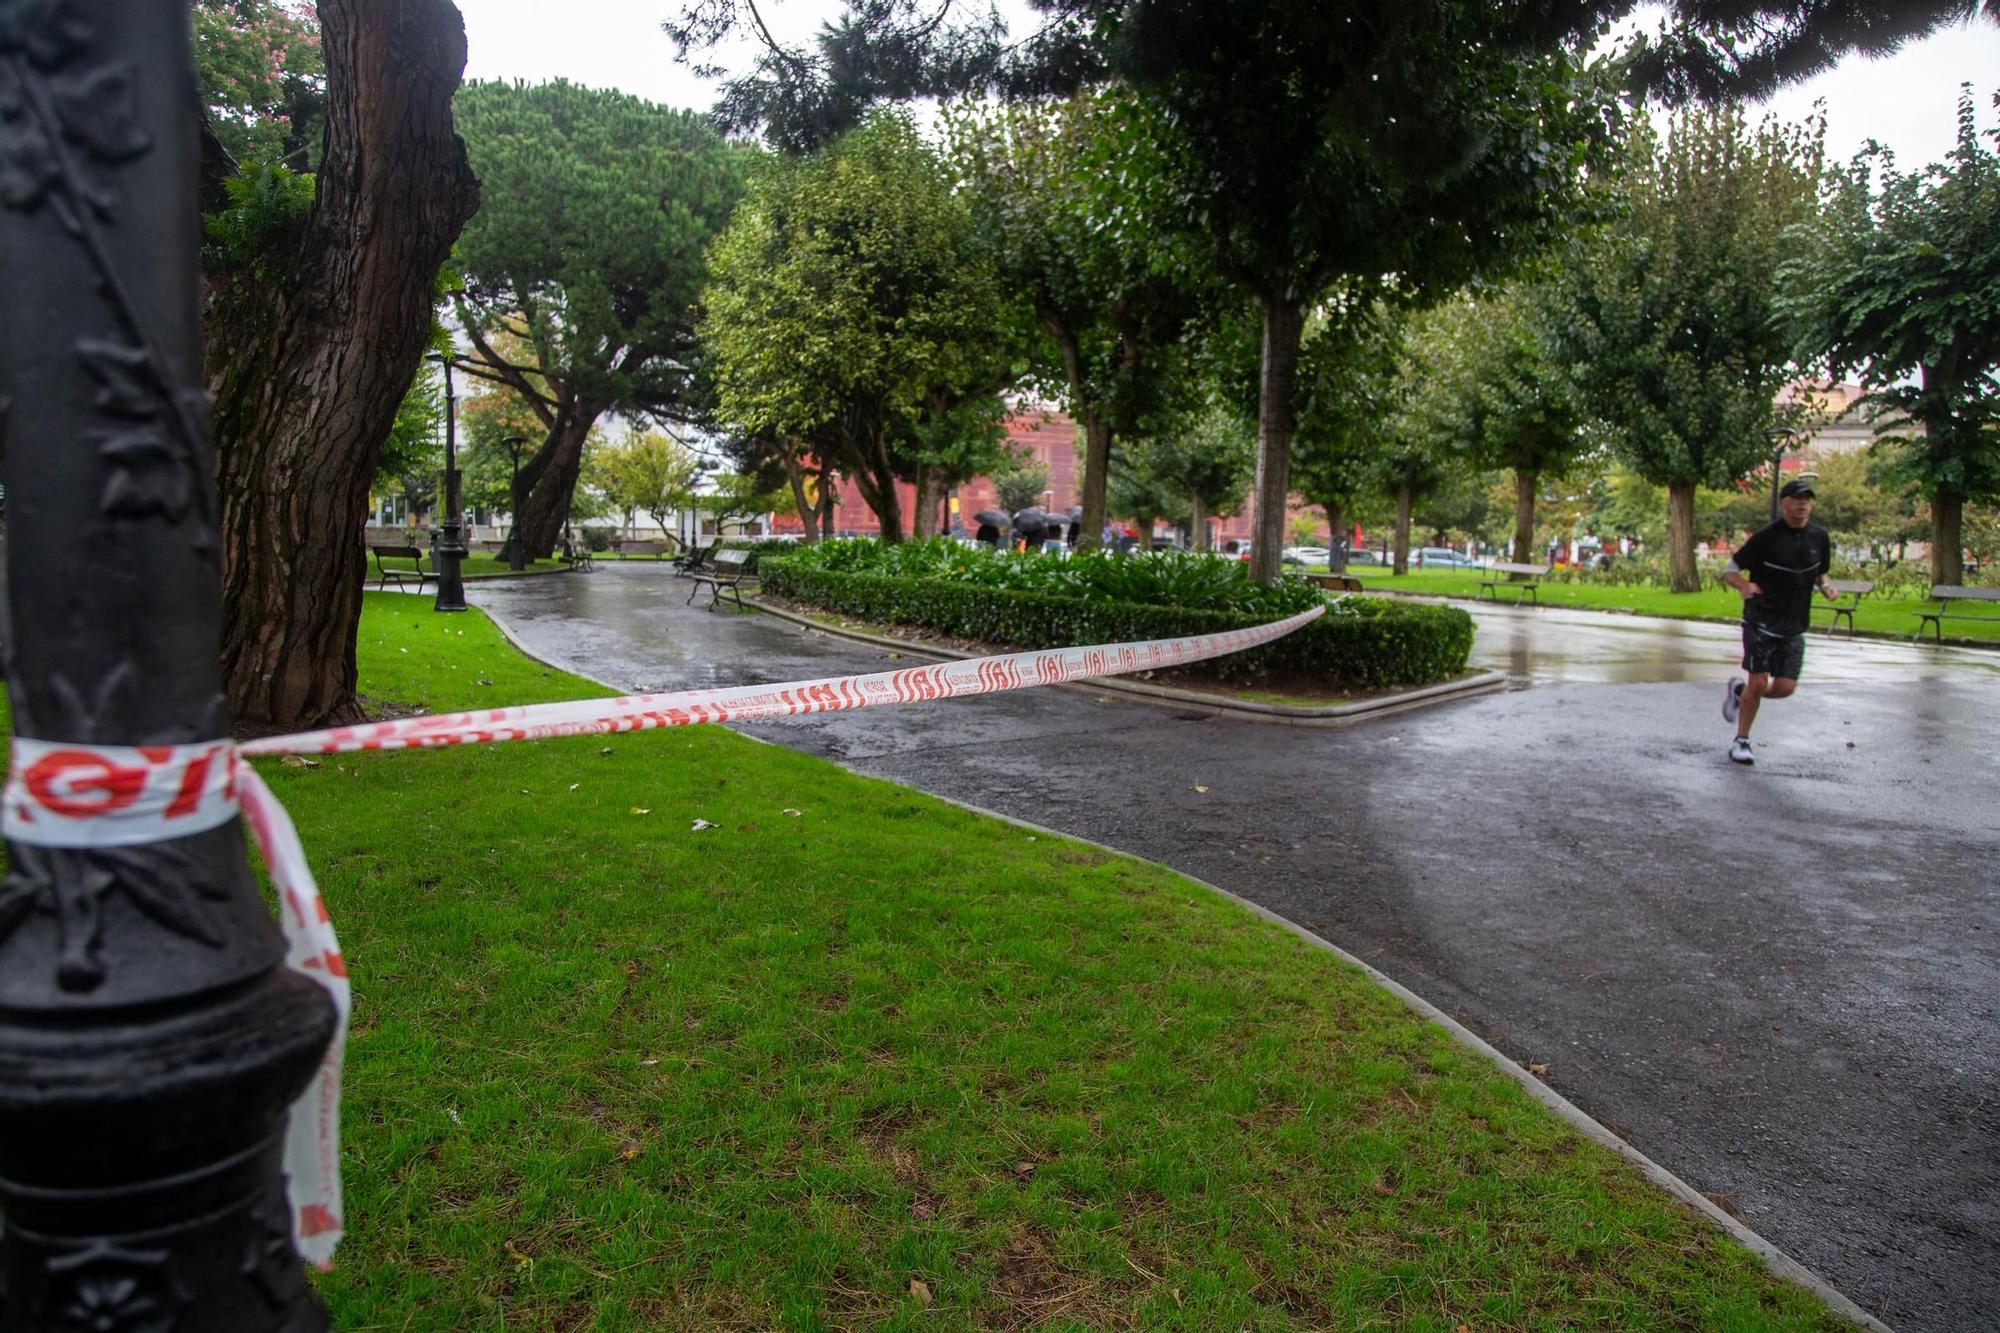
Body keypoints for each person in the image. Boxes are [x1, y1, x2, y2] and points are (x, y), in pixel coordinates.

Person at [1718, 479, 1840, 765]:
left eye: (1807, 500)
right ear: (1784, 503)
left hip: (1795, 624)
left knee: (1785, 688)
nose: (1803, 505)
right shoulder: (1766, 538)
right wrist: (1744, 586)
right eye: (1797, 499)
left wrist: (1826, 587)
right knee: (1758, 681)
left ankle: (1739, 693)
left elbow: (1821, 572)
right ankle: (1742, 741)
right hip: (1761, 620)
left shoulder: (1819, 537)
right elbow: (1730, 570)